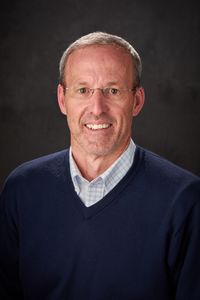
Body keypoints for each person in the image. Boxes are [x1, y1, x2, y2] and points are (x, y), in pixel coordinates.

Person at [0, 32, 200, 300]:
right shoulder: (21, 189)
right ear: (62, 99)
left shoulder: (185, 200)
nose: (97, 108)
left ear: (137, 101)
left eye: (113, 91)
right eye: (83, 90)